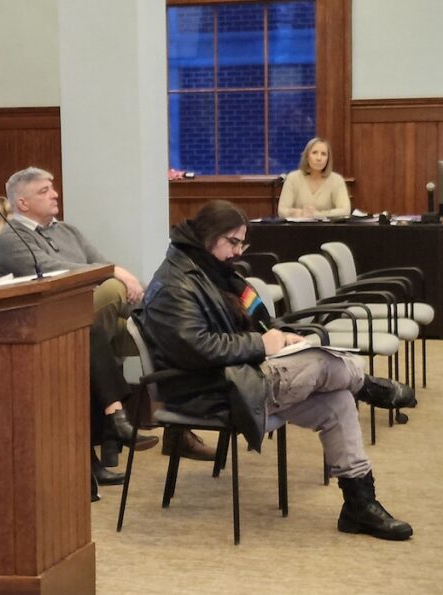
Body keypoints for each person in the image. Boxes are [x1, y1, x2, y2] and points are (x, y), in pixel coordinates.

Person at [140, 199, 415, 540]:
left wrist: (281, 338)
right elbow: (197, 349)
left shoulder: (218, 274)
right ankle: (368, 385)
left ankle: (360, 505)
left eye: (243, 242)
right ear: (208, 236)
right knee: (323, 363)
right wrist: (262, 345)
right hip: (206, 388)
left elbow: (257, 323)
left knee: (338, 400)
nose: (238, 251)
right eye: (233, 242)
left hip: (239, 375)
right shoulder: (174, 285)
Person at [0, 167, 207, 462]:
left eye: (52, 187)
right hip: (51, 324)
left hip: (88, 325)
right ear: (22, 203)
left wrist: (119, 276)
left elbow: (100, 264)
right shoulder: (10, 238)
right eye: (44, 191)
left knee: (170, 338)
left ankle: (170, 429)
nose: (55, 194)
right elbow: (58, 272)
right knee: (117, 289)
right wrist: (115, 272)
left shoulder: (67, 230)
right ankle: (113, 427)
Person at [277, 137, 351, 218]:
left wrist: (316, 215)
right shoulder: (293, 178)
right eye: (314, 153)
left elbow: (345, 211)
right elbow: (282, 210)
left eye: (323, 154)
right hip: (298, 228)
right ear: (307, 156)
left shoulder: (337, 180)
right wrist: (299, 213)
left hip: (327, 229)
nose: (319, 158)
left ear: (328, 159)